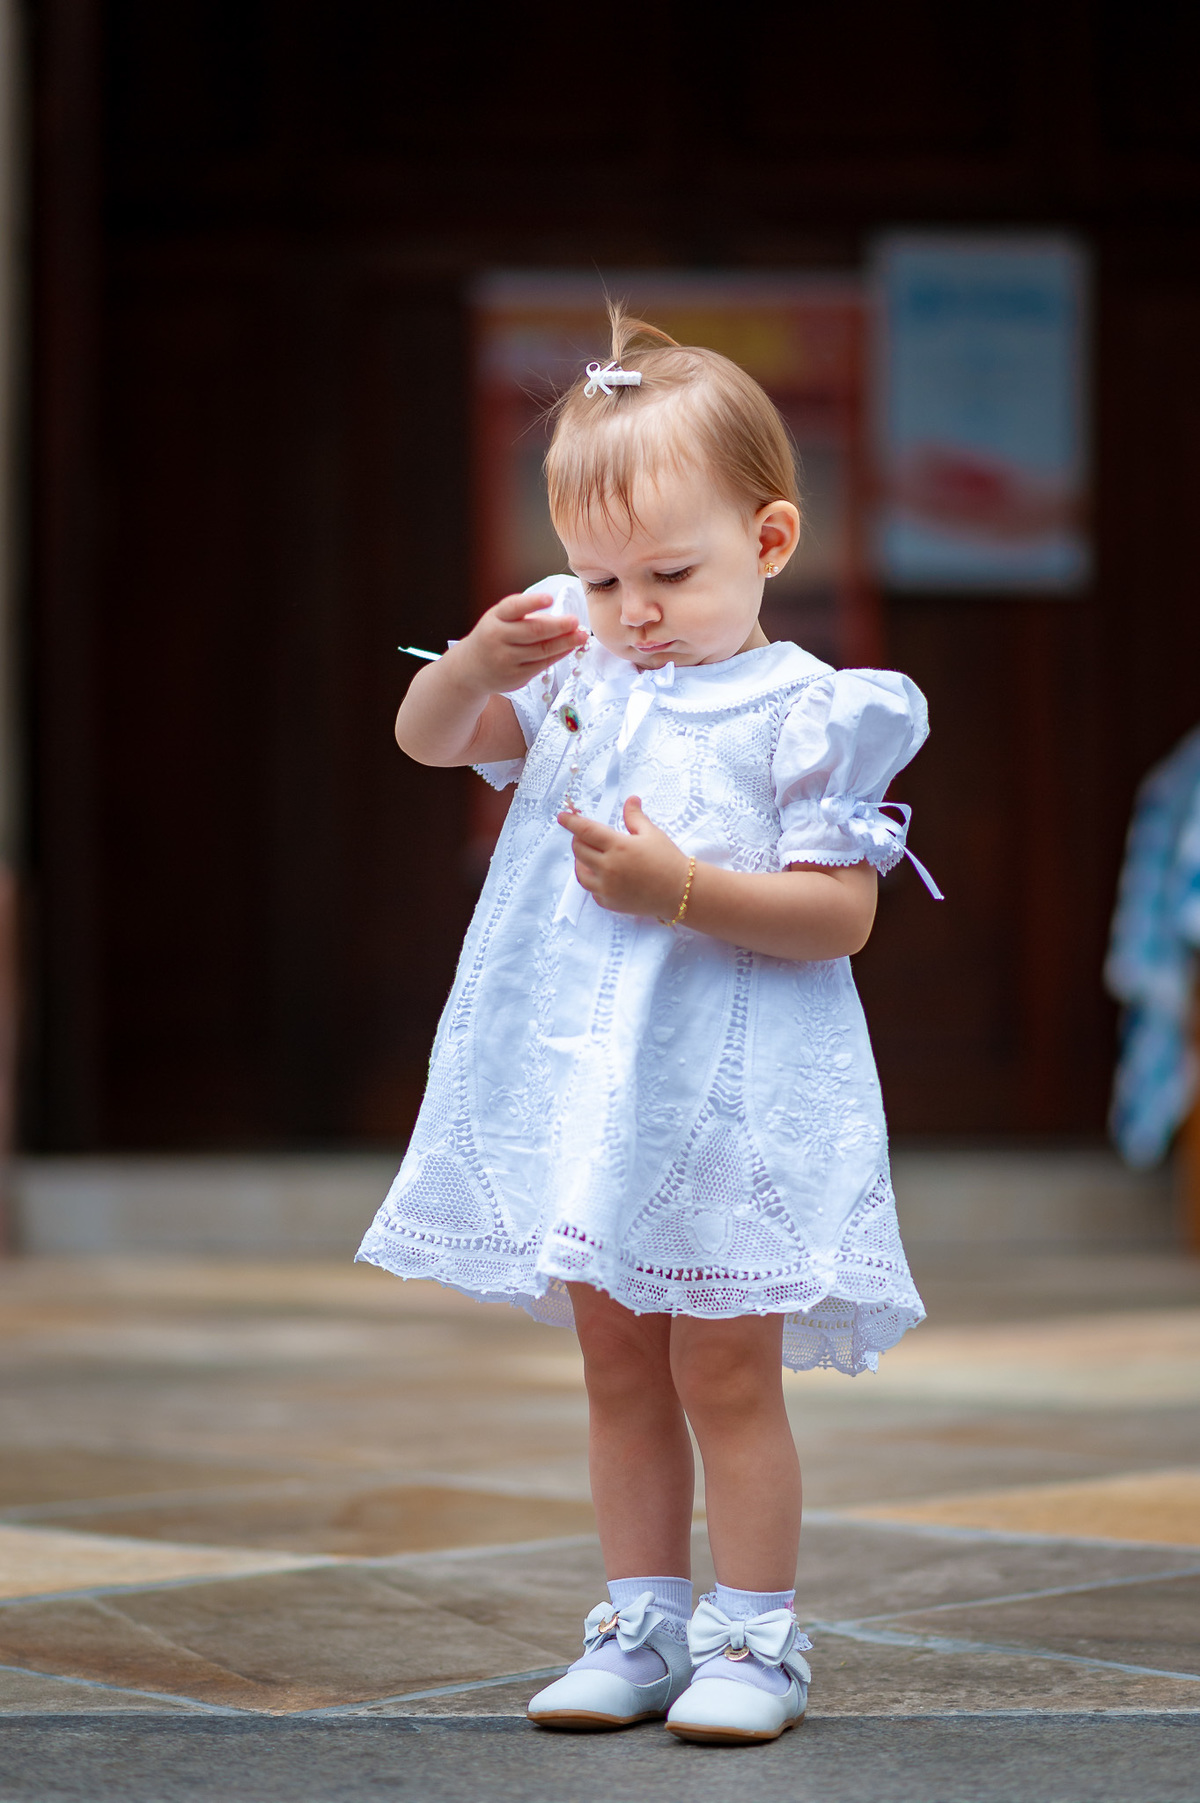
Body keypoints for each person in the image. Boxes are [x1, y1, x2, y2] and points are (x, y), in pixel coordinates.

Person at [358, 309, 939, 1745]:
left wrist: (679, 885)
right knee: (617, 1360)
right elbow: (427, 740)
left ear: (772, 539)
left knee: (723, 1368)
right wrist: (478, 666)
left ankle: (759, 1635)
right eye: (602, 577)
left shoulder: (812, 714)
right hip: (591, 1088)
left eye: (670, 572)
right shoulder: (574, 684)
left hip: (731, 1090)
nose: (636, 610)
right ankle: (639, 1618)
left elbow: (840, 917)